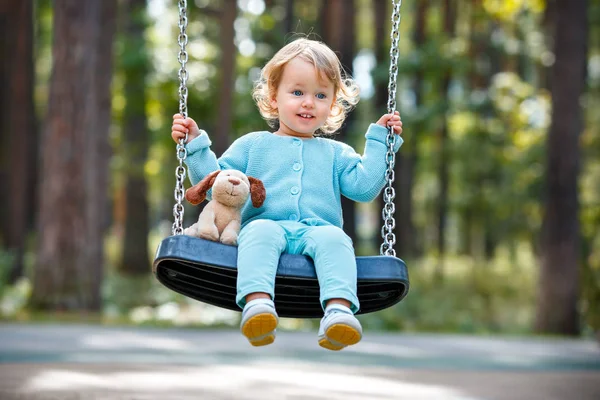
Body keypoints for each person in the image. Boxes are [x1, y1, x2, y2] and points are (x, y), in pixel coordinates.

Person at [171, 38, 403, 351]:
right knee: (259, 234)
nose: (309, 102)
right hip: (266, 225)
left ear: (333, 104)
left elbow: (363, 189)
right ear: (274, 96)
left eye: (321, 95)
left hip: (319, 230)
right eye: (297, 92)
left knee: (337, 241)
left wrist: (380, 144)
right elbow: (215, 183)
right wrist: (195, 143)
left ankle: (338, 312)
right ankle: (258, 305)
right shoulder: (253, 145)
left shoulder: (337, 153)